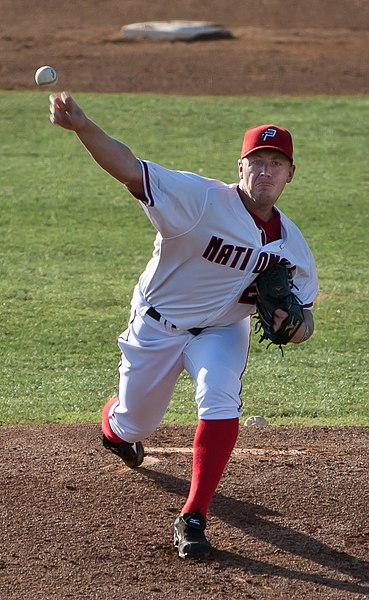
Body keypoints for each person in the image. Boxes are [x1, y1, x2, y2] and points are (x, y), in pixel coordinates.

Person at [49, 93, 318, 559]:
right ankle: (117, 428)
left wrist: (294, 327)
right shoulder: (199, 199)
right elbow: (130, 168)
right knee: (136, 422)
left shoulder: (294, 247)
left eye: (277, 164)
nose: (266, 172)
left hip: (222, 331)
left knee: (220, 398)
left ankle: (193, 515)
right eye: (257, 162)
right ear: (241, 168)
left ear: (290, 174)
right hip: (158, 324)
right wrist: (83, 126)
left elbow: (306, 319)